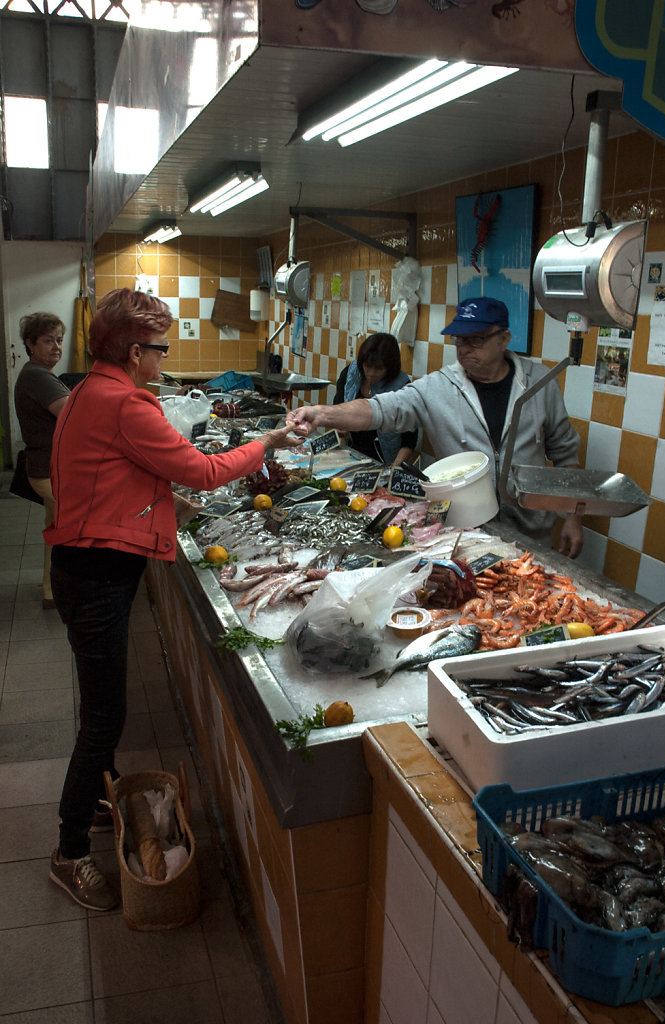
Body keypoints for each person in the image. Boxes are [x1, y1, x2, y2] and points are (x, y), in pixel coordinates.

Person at [45, 288, 303, 911]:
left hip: (88, 563)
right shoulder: (127, 402)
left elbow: (114, 474)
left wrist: (163, 505)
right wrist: (269, 442)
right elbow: (205, 470)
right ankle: (69, 850)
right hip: (97, 574)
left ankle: (96, 806)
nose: (164, 358)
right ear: (135, 352)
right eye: (160, 348)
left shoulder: (88, 389)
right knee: (104, 716)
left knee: (106, 709)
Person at [288, 297, 583, 557]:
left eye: (476, 340)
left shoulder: (540, 384)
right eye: (459, 341)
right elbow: (379, 409)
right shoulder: (438, 387)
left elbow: (564, 453)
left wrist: (572, 515)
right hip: (462, 531)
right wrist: (322, 413)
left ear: (503, 338)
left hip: (531, 532)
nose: (465, 350)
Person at [13, 313, 72, 609]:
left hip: (47, 469)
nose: (57, 347)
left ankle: (51, 590)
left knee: (55, 527)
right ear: (30, 344)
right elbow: (73, 417)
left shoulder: (38, 374)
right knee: (70, 530)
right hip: (49, 472)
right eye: (48, 340)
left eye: (59, 340)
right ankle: (67, 589)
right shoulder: (38, 376)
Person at [333, 332, 417, 466]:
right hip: (353, 456)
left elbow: (409, 440)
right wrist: (340, 425)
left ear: (390, 367)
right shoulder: (351, 374)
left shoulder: (402, 387)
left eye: (379, 368)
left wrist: (393, 470)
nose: (371, 373)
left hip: (387, 460)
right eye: (368, 366)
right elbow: (338, 407)